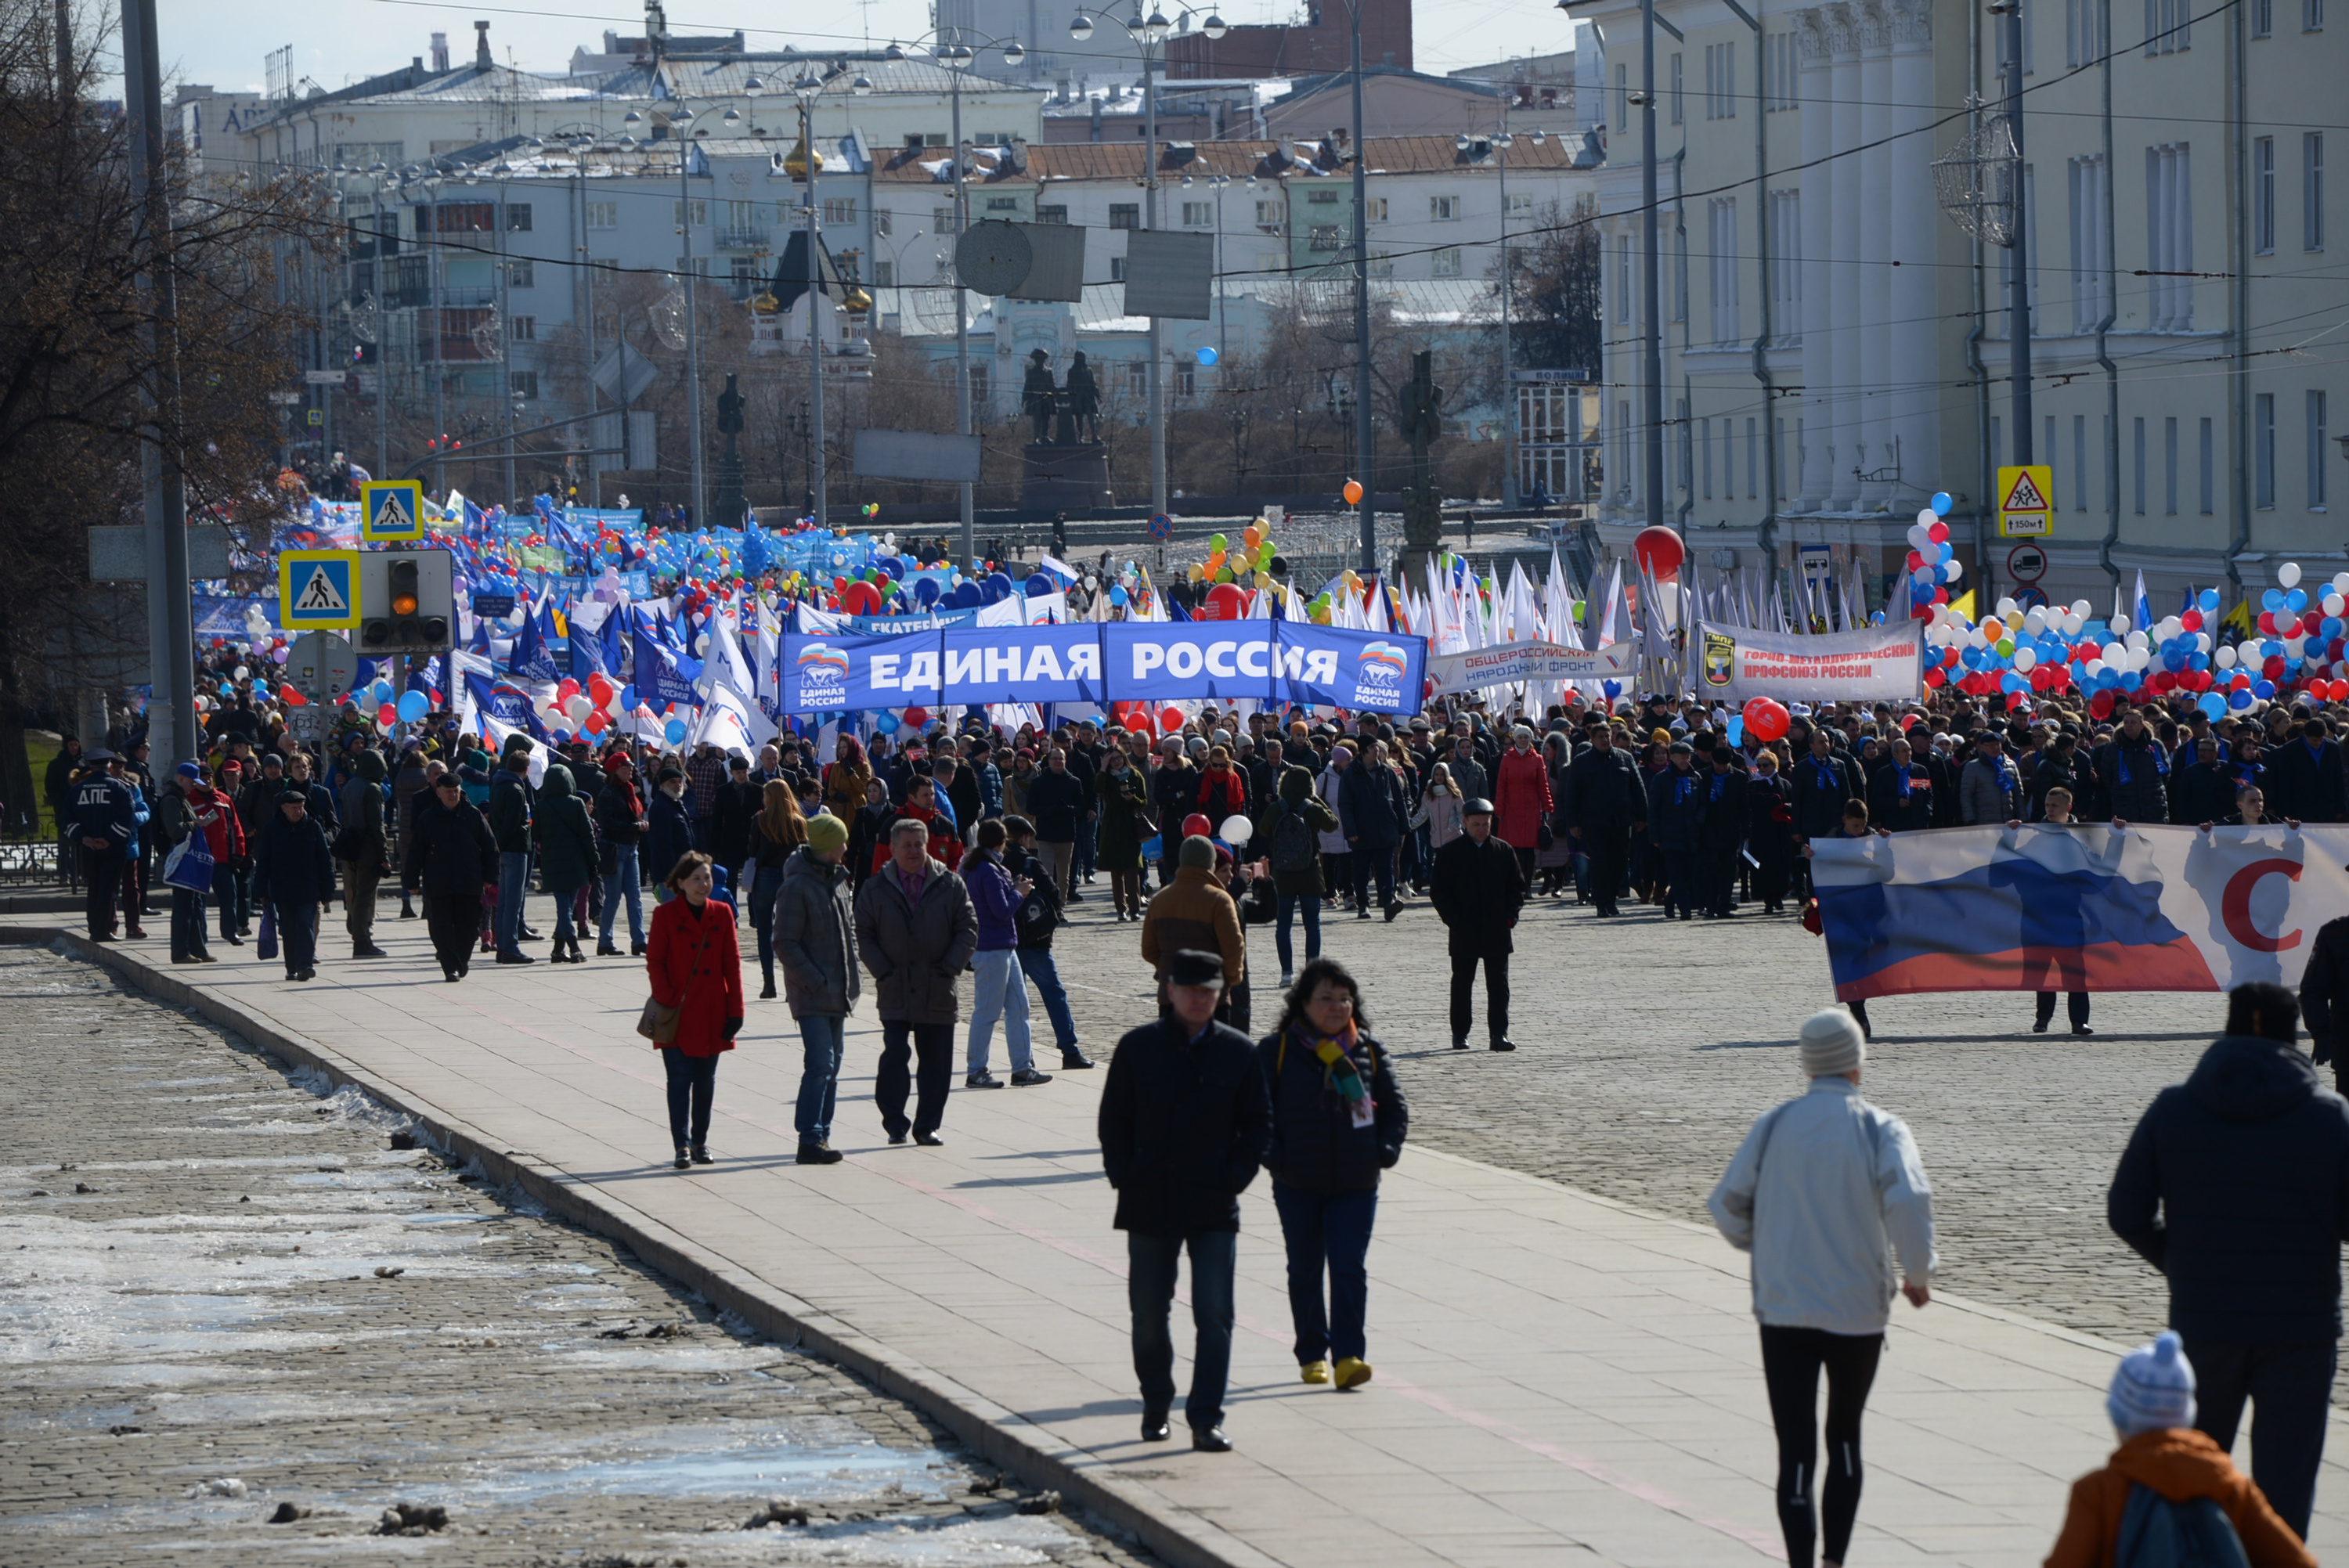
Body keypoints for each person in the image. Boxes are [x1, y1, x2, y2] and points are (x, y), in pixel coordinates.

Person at [2106, 981, 2349, 1541]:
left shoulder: (2174, 1107)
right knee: (2286, 1484)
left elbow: (2126, 1211)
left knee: (2194, 1471)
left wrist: (2182, 1264)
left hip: (2205, 1320)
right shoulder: (2329, 1116)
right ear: (2294, 1035)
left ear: (2231, 1026)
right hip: (2300, 1324)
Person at [1709, 1008, 1937, 1568]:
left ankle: (1800, 1563)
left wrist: (1764, 1245)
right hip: (1856, 1310)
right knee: (1844, 1437)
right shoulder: (1880, 1127)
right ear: (1857, 1061)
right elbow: (1908, 1199)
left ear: (1808, 1064)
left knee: (1796, 1449)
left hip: (1785, 1307)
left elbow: (1726, 1204)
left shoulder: (1775, 1123)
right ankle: (1836, 1558)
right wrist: (1917, 1273)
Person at [1097, 947, 1271, 1454]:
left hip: (1214, 1202)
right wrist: (1124, 1174)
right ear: (1170, 991)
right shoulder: (1138, 1048)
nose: (1200, 999)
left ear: (1222, 994)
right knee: (1149, 1314)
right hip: (1149, 1200)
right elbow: (1115, 1120)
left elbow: (1259, 1124)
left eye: (1209, 991)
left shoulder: (1240, 1053)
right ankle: (1157, 1402)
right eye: (1191, 990)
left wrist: (1235, 1176)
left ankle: (1205, 1417)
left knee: (1215, 1315)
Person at [2042, 1330, 2315, 1568]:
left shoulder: (2099, 1491)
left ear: (2119, 1417)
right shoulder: (2231, 1487)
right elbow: (2296, 1562)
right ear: (2187, 1414)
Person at [1257, 959, 1406, 1391]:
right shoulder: (1277, 1050)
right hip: (1297, 1182)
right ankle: (1311, 1354)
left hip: (1356, 1184)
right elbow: (1254, 1112)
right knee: (1304, 1270)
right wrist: (1276, 1158)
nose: (1338, 1007)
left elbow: (1395, 1110)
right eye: (1326, 998)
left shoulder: (1369, 1050)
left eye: (1345, 999)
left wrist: (1385, 1151)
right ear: (1303, 1004)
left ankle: (1348, 1357)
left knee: (1348, 1268)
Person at [853, 816, 980, 1147]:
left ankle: (927, 1126)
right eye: (906, 845)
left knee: (936, 1062)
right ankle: (895, 1122)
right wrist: (883, 970)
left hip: (937, 985)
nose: (913, 851)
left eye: (918, 845)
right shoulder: (875, 887)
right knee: (894, 1056)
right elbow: (864, 934)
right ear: (892, 848)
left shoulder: (950, 884)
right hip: (894, 984)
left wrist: (950, 968)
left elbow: (968, 928)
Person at [645, 850, 745, 1170]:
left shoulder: (722, 913)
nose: (704, 884)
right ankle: (681, 1146)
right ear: (681, 884)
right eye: (697, 879)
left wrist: (737, 1009)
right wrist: (667, 995)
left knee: (705, 1080)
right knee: (679, 1079)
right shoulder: (665, 915)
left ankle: (700, 1141)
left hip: (713, 1010)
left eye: (707, 878)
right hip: (676, 1012)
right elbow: (655, 962)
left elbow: (733, 964)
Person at [770, 812, 860, 1166]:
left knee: (833, 1064)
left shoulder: (838, 879)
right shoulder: (796, 886)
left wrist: (852, 972)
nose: (846, 847)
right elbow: (784, 942)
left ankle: (822, 1134)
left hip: (839, 988)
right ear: (826, 846)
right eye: (841, 840)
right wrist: (814, 979)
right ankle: (809, 1137)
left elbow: (848, 929)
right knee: (820, 1062)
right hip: (813, 991)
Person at [963, 817, 1054, 1090]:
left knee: (1019, 1006)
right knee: (987, 1011)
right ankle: (976, 1069)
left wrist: (1013, 887)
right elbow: (1001, 910)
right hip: (991, 947)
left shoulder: (977, 866)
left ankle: (1023, 1067)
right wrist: (1020, 893)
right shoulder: (987, 870)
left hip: (1003, 945)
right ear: (1001, 843)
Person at [1430, 798, 1526, 1052]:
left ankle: (1499, 1035)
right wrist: (1454, 920)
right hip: (1464, 930)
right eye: (1476, 824)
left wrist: (1510, 917)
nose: (1482, 829)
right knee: (1462, 984)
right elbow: (1439, 892)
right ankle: (1460, 1034)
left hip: (1497, 929)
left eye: (1486, 824)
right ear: (1465, 823)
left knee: (1498, 986)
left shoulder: (1503, 851)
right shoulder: (1450, 853)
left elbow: (1517, 888)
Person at [1003, 814, 1094, 1072]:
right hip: (1035, 943)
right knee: (1054, 995)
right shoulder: (1029, 863)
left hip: (1007, 942)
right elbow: (1054, 895)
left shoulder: (994, 865)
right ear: (1022, 837)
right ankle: (1070, 1050)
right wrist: (1045, 928)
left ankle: (1023, 1057)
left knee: (1013, 1004)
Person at [2008, 786, 2099, 1036]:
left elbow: (2097, 871)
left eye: (2054, 806)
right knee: (2041, 969)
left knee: (2075, 970)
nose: (2049, 810)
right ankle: (2043, 1018)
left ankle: (2079, 1021)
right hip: (2038, 915)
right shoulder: (2033, 837)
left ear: (2068, 808)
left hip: (2068, 915)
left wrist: (2119, 836)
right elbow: (2008, 871)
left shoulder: (2081, 837)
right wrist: (2010, 836)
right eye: (2047, 805)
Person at [404, 771, 499, 982]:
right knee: (441, 929)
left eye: (456, 791)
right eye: (448, 792)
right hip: (439, 883)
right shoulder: (428, 818)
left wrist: (491, 876)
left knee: (468, 928)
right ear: (439, 793)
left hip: (469, 882)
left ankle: (462, 960)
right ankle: (450, 967)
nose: (453, 796)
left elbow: (490, 848)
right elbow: (416, 851)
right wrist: (411, 880)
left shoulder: (473, 816)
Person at [1140, 835, 1247, 1020]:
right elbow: (1234, 947)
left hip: (1171, 993)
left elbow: (1149, 950)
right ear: (1211, 864)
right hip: (1212, 996)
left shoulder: (1160, 899)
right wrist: (1230, 979)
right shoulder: (1220, 900)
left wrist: (1169, 968)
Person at [1264, 764, 1340, 989]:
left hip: (1283, 872)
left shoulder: (1278, 808)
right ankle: (1311, 974)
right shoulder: (1312, 807)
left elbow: (1262, 829)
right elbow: (1333, 824)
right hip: (1309, 870)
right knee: (1312, 925)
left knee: (1283, 925)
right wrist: (1316, 801)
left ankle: (1286, 974)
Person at [1561, 723, 1645, 917]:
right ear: (1592, 739)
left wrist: (1642, 816)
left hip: (1621, 821)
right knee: (1600, 863)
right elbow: (1572, 795)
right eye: (1601, 737)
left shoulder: (1625, 758)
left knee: (1619, 862)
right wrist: (1573, 823)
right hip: (1594, 822)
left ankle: (1612, 901)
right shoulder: (1582, 762)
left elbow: (1637, 789)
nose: (1605, 740)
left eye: (1607, 736)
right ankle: (1601, 903)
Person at [251, 787, 334, 982]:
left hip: (308, 889)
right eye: (294, 807)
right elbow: (263, 862)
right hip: (282, 889)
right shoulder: (272, 829)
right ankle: (292, 967)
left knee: (305, 925)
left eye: (301, 807)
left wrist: (327, 890)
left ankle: (305, 965)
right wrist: (260, 889)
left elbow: (324, 860)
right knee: (288, 929)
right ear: (284, 808)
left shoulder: (313, 827)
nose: (298, 811)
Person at [64, 749, 135, 942]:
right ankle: (104, 930)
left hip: (89, 849)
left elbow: (66, 819)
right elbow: (127, 816)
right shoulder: (120, 788)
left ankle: (94, 929)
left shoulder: (77, 789)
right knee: (108, 890)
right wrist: (109, 839)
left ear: (90, 766)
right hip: (113, 848)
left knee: (94, 888)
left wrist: (85, 838)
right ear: (110, 766)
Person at [747, 780, 810, 998]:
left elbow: (752, 850)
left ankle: (769, 984)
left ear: (770, 797)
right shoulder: (798, 822)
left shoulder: (760, 819)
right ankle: (792, 985)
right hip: (789, 876)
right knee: (792, 933)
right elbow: (804, 851)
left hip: (764, 875)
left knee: (764, 931)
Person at [532, 763, 599, 964]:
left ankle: (558, 949)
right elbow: (588, 836)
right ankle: (574, 947)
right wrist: (594, 861)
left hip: (552, 863)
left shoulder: (542, 806)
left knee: (564, 906)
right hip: (576, 862)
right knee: (566, 907)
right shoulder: (577, 803)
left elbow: (536, 835)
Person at [152, 762, 214, 964]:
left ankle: (198, 949)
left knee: (194, 905)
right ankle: (180, 952)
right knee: (183, 907)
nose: (193, 787)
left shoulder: (181, 798)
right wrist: (197, 823)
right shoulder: (172, 800)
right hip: (181, 858)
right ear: (181, 779)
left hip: (189, 857)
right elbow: (175, 829)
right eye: (191, 782)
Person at [594, 752, 650, 956]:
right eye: (625, 767)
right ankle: (605, 941)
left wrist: (636, 826)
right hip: (615, 848)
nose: (630, 770)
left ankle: (639, 941)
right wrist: (635, 826)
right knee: (614, 897)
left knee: (635, 897)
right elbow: (607, 822)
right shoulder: (608, 793)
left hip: (630, 848)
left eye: (630, 767)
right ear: (615, 770)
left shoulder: (629, 791)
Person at [487, 736, 536, 964]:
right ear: (525, 770)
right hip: (515, 848)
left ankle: (503, 945)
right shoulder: (516, 790)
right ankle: (510, 947)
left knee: (505, 902)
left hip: (504, 849)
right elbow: (514, 823)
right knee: (512, 902)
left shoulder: (499, 784)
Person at [336, 748, 389, 958]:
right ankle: (362, 941)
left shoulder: (350, 785)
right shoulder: (372, 789)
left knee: (355, 894)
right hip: (367, 848)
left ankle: (359, 937)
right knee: (365, 897)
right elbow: (377, 825)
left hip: (350, 845)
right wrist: (384, 855)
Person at [1096, 748, 1154, 921]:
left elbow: (1144, 800)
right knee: (1116, 871)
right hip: (1113, 826)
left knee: (1132, 870)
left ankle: (1135, 909)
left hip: (1130, 825)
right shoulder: (1106, 776)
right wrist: (1103, 767)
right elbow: (1098, 788)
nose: (1116, 761)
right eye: (1112, 759)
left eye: (1118, 758)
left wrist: (1133, 799)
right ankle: (1121, 909)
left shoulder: (1135, 775)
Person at [1024, 746, 1090, 901]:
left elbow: (1082, 808)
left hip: (1066, 835)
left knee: (1063, 877)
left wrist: (1068, 809)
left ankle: (1060, 906)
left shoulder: (1074, 782)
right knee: (1047, 874)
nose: (1058, 762)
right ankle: (1049, 905)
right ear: (1049, 761)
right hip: (1045, 835)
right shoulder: (1039, 782)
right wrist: (1048, 810)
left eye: (1061, 759)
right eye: (1055, 758)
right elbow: (1031, 807)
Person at [1492, 726, 1553, 885]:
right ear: (1515, 739)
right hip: (1511, 808)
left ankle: (1527, 884)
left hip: (1531, 808)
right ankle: (1516, 883)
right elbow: (1501, 785)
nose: (1523, 740)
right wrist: (1498, 808)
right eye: (1520, 737)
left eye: (1526, 737)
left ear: (1530, 739)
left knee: (1529, 848)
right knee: (1515, 848)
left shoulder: (1537, 759)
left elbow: (1543, 785)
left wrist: (1548, 806)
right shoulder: (1507, 758)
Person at [646, 766, 695, 903]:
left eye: (680, 781)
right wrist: (674, 873)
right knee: (674, 917)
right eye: (673, 782)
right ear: (663, 785)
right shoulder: (661, 807)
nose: (678, 785)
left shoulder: (677, 804)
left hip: (684, 871)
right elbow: (663, 845)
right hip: (670, 875)